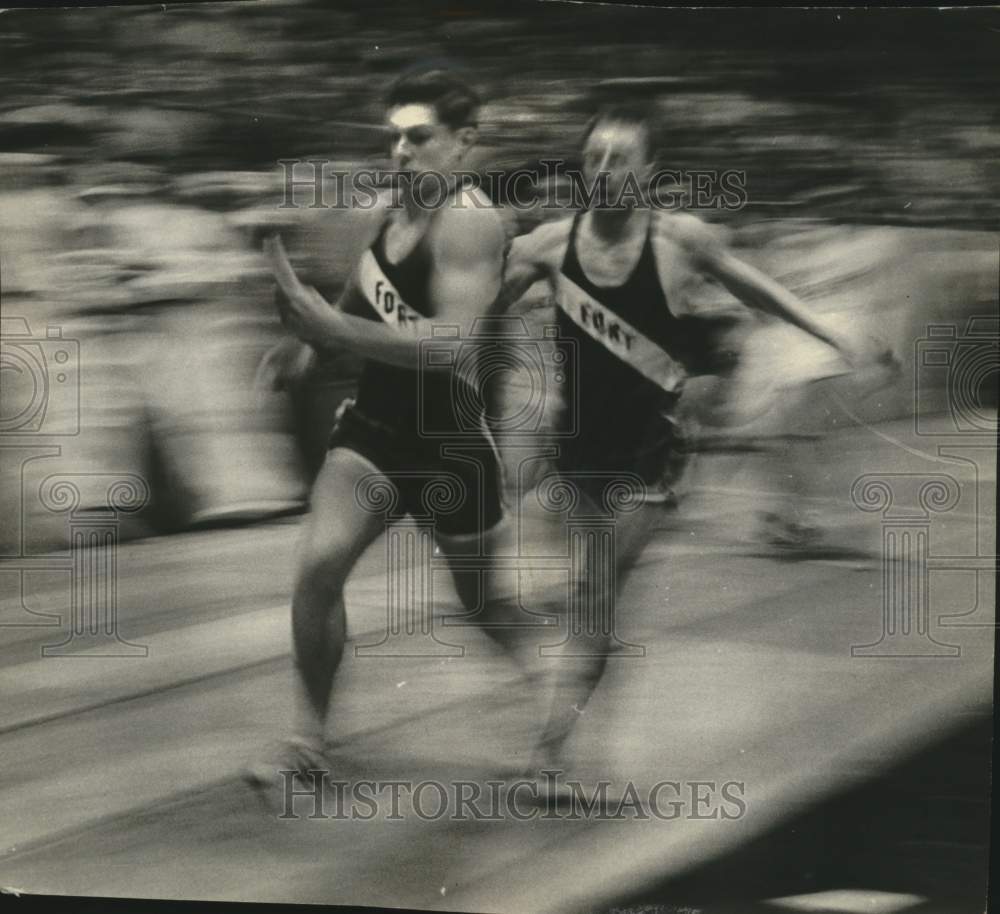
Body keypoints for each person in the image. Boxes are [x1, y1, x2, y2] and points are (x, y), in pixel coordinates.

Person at [496, 103, 888, 773]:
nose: (605, 170)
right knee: (596, 604)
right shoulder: (546, 247)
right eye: (594, 158)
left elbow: (762, 292)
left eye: (621, 158)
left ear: (650, 170)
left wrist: (833, 333)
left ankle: (550, 753)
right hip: (579, 454)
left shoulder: (683, 242)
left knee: (594, 599)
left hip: (656, 458)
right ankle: (572, 739)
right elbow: (467, 314)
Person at [247, 67, 519, 789]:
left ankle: (551, 694)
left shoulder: (471, 221)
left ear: (463, 143)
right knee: (316, 570)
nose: (401, 151)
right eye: (394, 137)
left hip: (451, 443)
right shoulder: (387, 210)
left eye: (418, 136)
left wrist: (329, 327)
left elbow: (450, 343)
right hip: (372, 430)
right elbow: (364, 289)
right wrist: (309, 345)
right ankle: (308, 739)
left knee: (484, 609)